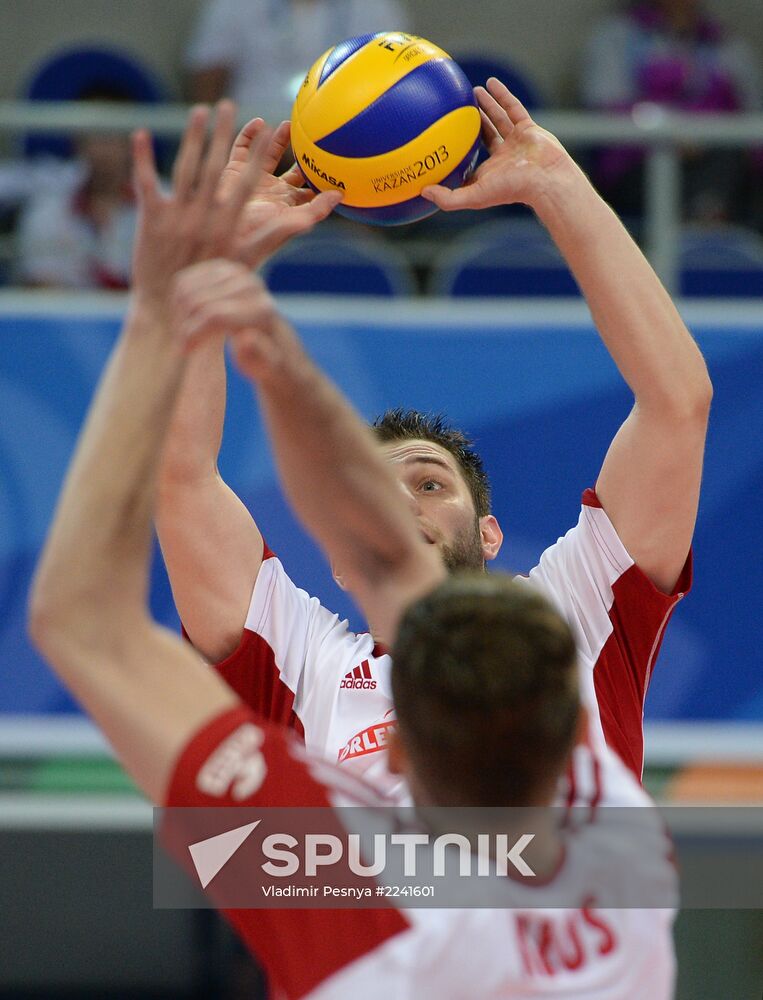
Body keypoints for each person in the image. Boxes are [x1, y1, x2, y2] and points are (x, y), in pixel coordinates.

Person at [28, 103, 677, 997]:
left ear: (399, 760)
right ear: (578, 733)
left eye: (428, 484)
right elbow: (674, 405)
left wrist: (187, 296)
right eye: (383, 493)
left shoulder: (347, 894)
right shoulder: (623, 848)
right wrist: (558, 187)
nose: (401, 512)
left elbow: (161, 516)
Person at [156, 79, 712, 805]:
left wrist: (556, 186)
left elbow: (677, 405)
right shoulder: (303, 661)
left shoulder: (568, 618)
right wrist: (211, 262)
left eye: (428, 483)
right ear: (342, 560)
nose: (399, 506)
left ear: (488, 534)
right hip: (384, 917)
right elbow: (179, 478)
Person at [579, 0, 762, 223]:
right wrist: (673, 132)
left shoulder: (728, 46)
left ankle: (709, 226)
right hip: (640, 166)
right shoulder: (615, 37)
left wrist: (702, 134)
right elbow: (605, 112)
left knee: (730, 165)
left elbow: (751, 125)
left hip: (717, 163)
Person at [186, 0, 410, 120]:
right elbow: (207, 82)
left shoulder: (375, 6)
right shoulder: (235, 4)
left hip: (343, 136)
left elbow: (393, 84)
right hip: (252, 135)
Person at [16, 85, 140, 289]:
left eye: (112, 133)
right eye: (94, 134)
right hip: (65, 320)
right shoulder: (47, 212)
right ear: (77, 140)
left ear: (133, 139)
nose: (103, 146)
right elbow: (41, 295)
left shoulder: (166, 205)